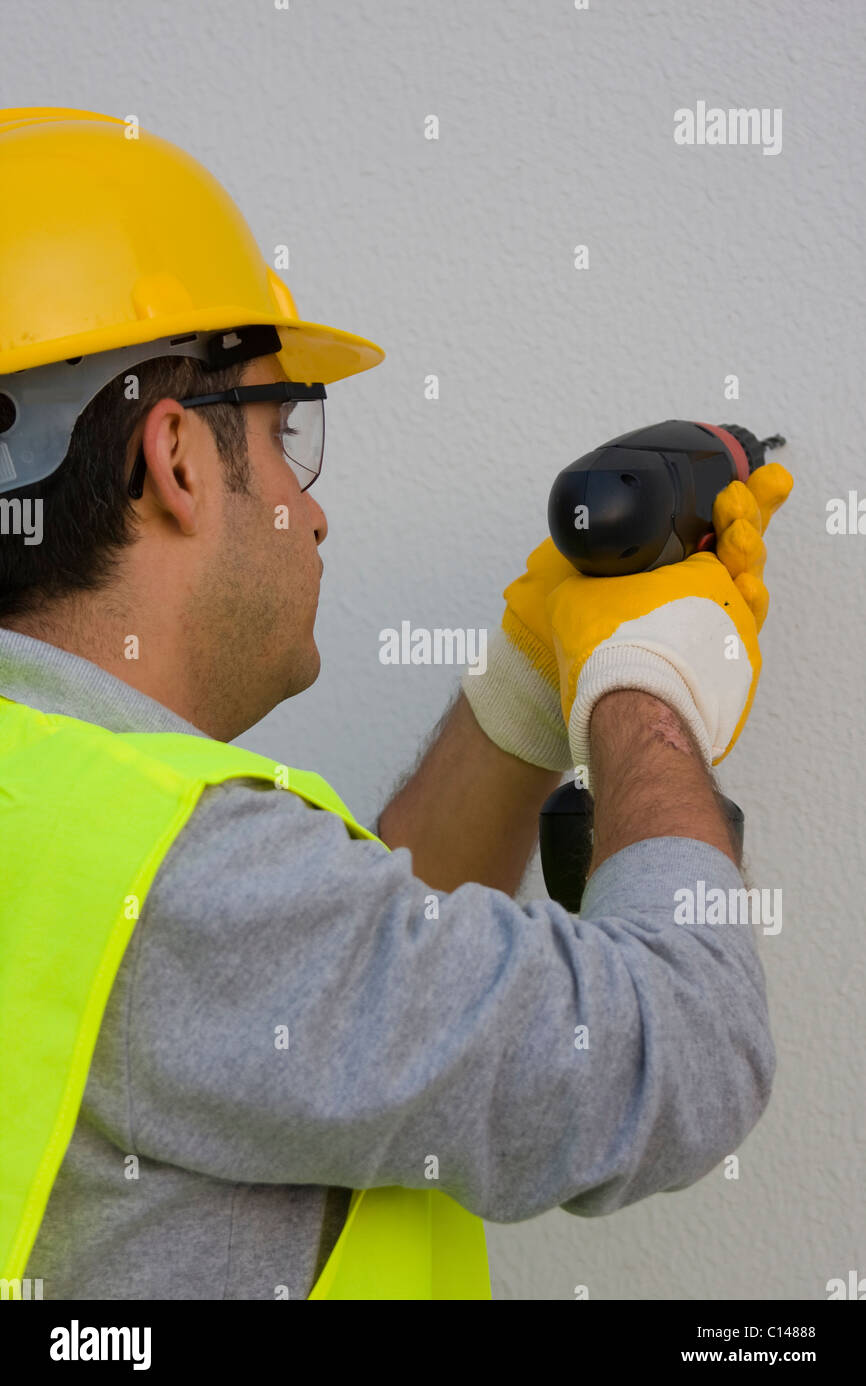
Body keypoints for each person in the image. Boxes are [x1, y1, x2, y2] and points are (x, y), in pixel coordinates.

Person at [0, 107, 791, 1301]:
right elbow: (682, 1049)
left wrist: (525, 693)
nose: (308, 508)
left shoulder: (76, 837)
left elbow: (351, 1000)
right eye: (280, 432)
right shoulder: (178, 880)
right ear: (172, 458)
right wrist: (647, 690)